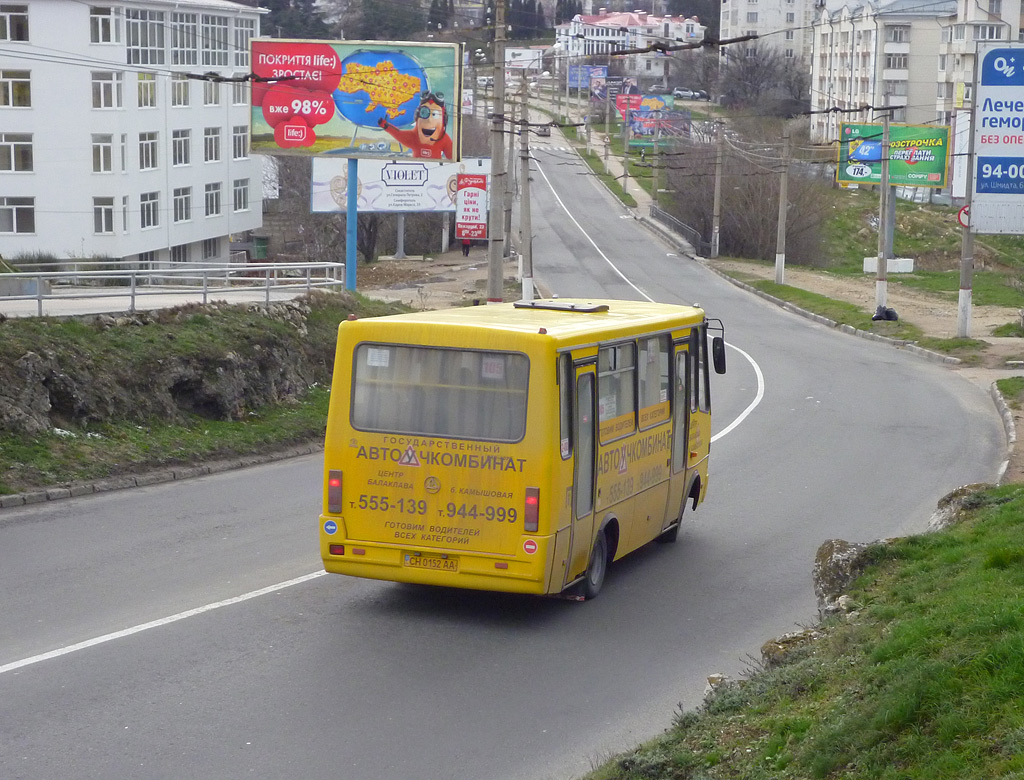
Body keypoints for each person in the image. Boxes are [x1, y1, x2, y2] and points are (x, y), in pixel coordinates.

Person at [378, 91, 453, 159]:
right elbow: (399, 134)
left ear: (443, 120)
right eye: (424, 113)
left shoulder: (444, 139)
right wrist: (386, 126)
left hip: (434, 171)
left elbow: (453, 158)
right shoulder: (414, 137)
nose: (429, 120)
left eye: (435, 115)